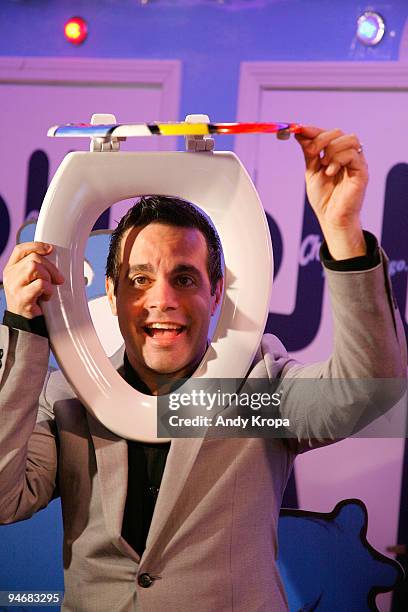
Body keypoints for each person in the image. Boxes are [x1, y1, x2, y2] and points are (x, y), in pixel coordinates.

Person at [0, 126, 406, 612]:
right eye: (139, 279)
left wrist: (343, 233)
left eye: (185, 277)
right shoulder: (68, 396)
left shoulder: (256, 389)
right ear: (111, 294)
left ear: (217, 293)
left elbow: (370, 393)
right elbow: (6, 500)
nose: (162, 300)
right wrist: (22, 328)